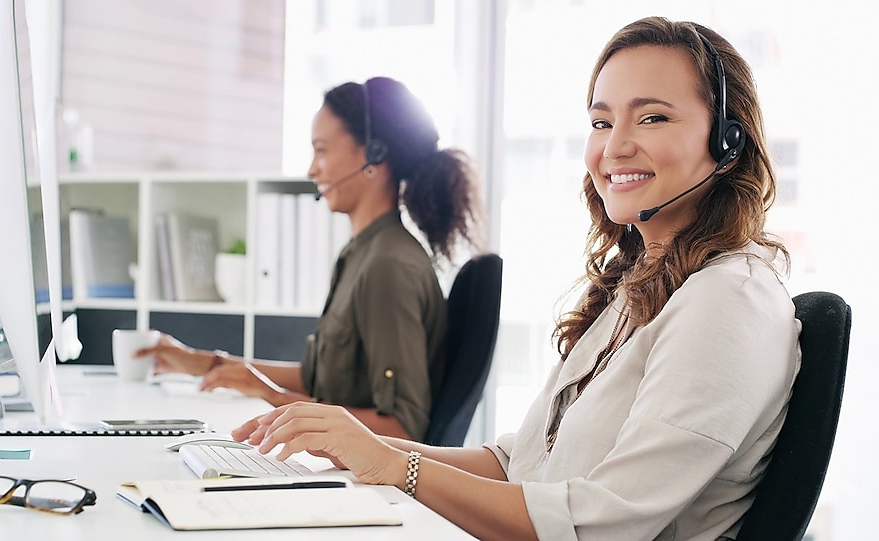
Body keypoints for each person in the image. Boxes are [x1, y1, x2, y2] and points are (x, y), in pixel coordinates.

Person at [230, 17, 801, 541]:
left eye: (652, 117)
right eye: (601, 121)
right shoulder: (641, 288)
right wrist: (360, 447)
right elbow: (516, 463)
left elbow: (598, 526)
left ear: (727, 141)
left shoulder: (728, 299)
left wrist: (396, 467)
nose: (614, 145)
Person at [136, 77, 485, 442]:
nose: (311, 170)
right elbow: (317, 378)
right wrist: (205, 363)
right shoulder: (361, 252)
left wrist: (275, 398)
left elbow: (401, 427)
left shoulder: (388, 266)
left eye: (321, 150)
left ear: (374, 156)